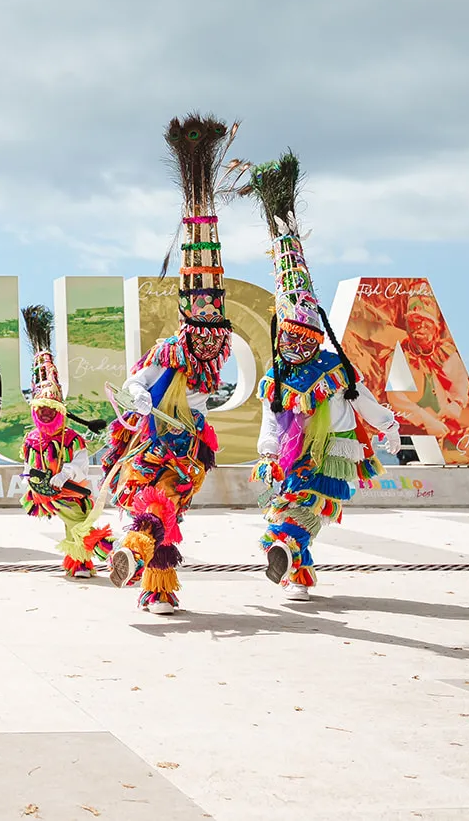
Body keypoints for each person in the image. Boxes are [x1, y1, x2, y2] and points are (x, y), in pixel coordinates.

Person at [247, 154, 399, 600]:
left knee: (310, 506)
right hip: (289, 454)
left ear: (315, 337)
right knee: (282, 509)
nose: (294, 347)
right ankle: (295, 569)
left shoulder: (334, 371)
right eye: (288, 339)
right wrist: (267, 448)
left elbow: (363, 399)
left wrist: (387, 424)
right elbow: (270, 418)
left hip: (332, 449)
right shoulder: (276, 376)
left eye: (301, 339)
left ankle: (287, 552)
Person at [100, 115, 236, 615]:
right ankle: (135, 559)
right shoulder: (169, 353)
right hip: (155, 442)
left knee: (168, 509)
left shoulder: (212, 357)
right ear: (187, 325)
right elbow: (139, 383)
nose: (206, 340)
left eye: (214, 332)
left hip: (190, 448)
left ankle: (155, 583)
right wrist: (139, 396)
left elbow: (205, 397)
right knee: (154, 506)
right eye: (199, 330)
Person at [18, 305, 112, 577]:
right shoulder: (32, 439)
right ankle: (100, 554)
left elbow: (81, 465)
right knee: (75, 523)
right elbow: (27, 462)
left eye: (50, 410)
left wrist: (65, 473)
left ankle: (99, 554)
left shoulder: (71, 439)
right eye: (41, 411)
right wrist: (29, 478)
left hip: (69, 490)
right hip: (43, 492)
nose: (45, 415)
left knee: (77, 521)